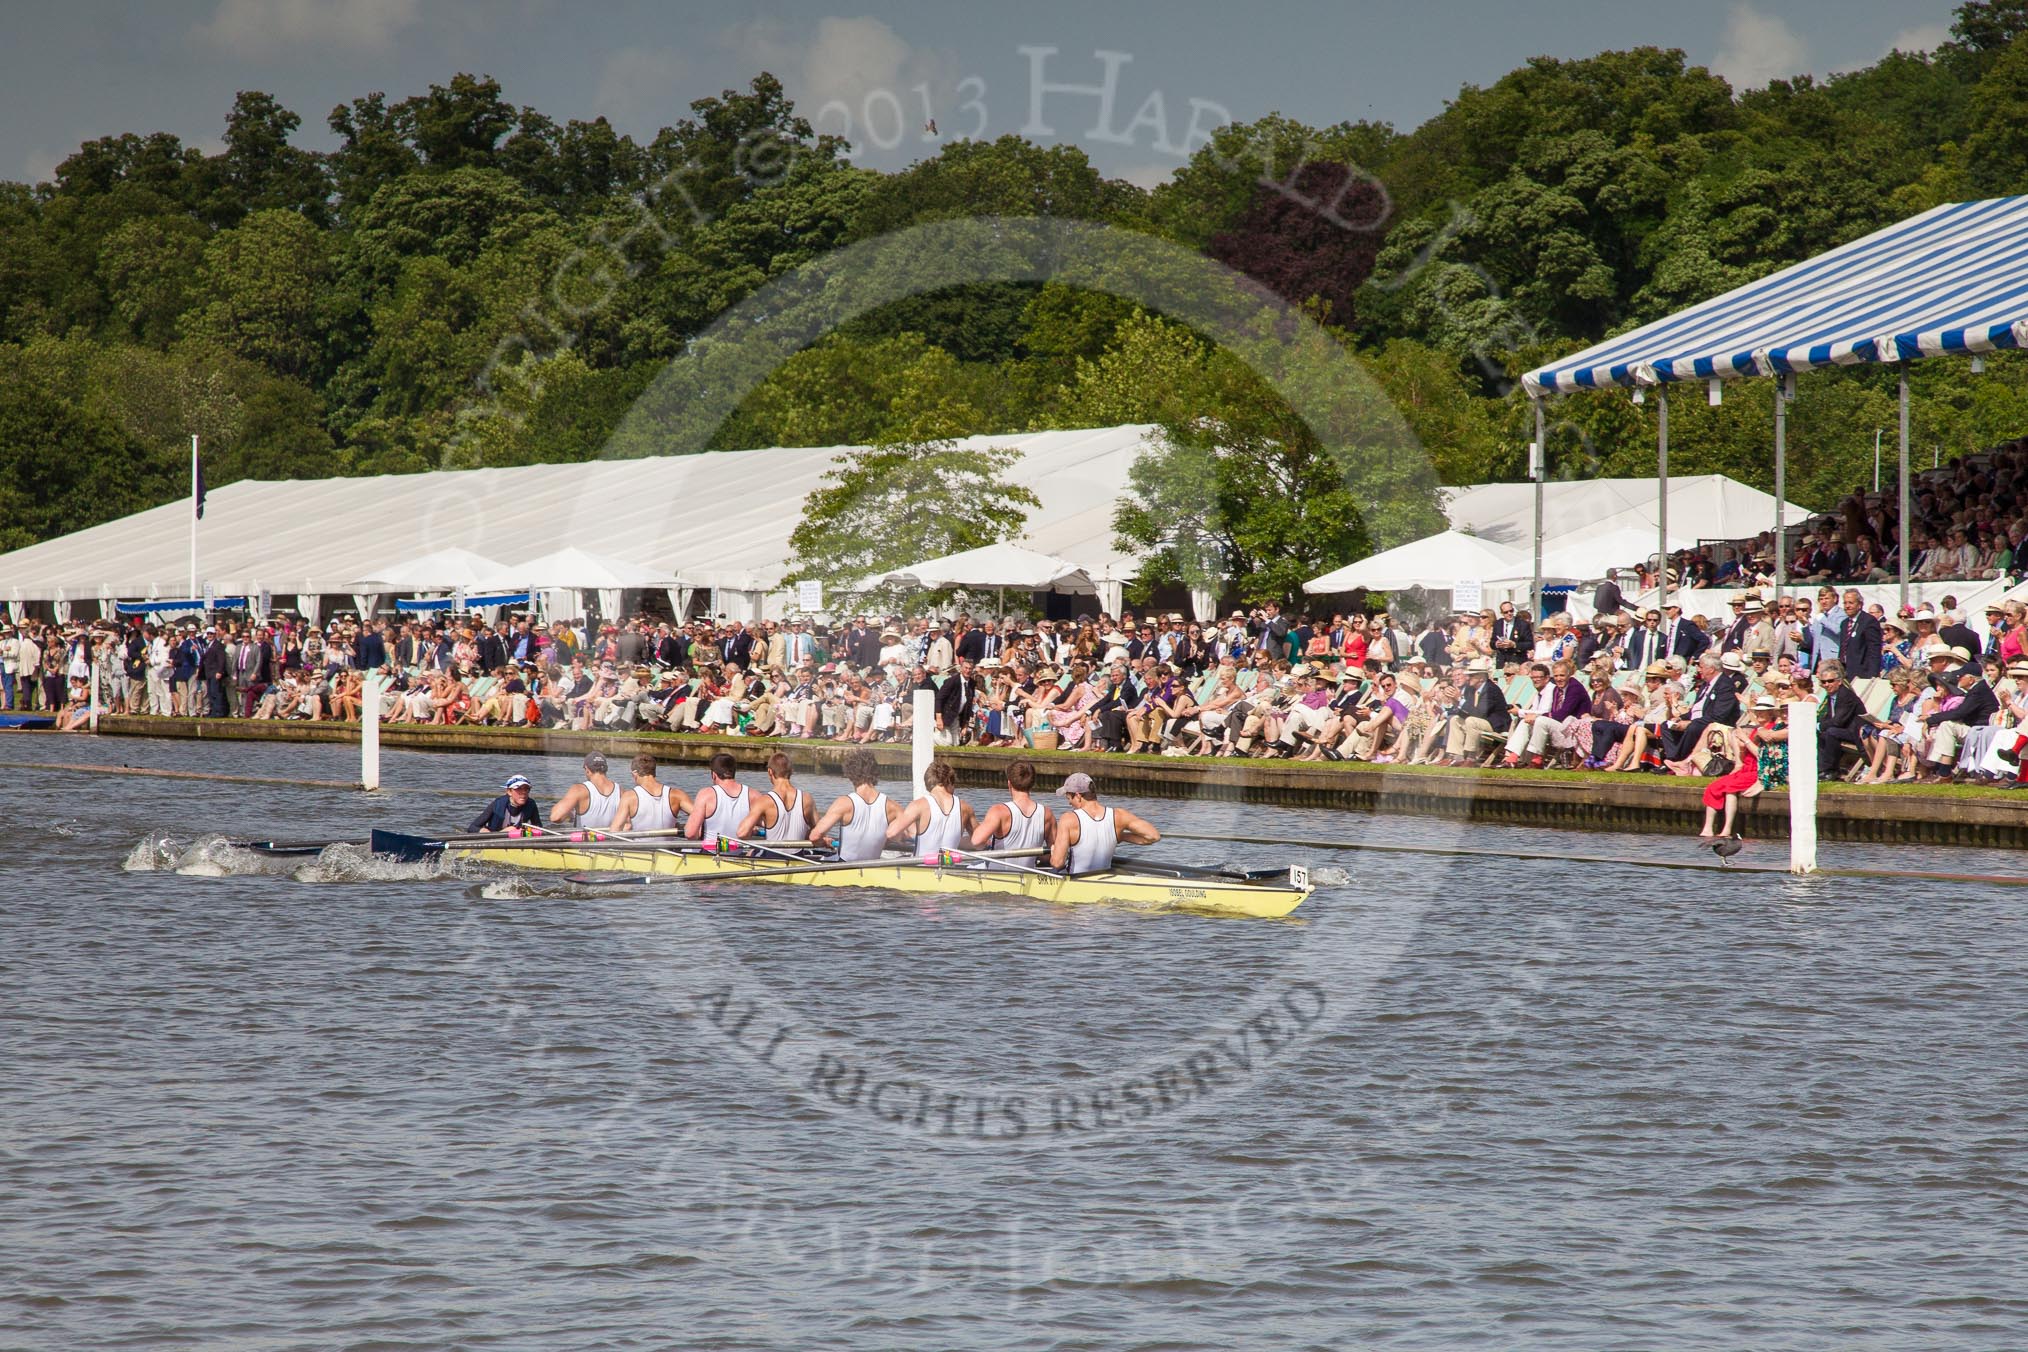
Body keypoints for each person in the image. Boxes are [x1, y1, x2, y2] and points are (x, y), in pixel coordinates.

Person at [1048, 771, 1160, 873]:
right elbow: (1153, 836)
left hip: (1076, 884)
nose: (1069, 803)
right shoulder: (1119, 816)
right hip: (1104, 881)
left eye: (1068, 798)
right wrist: (1121, 836)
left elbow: (1058, 863)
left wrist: (1054, 853)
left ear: (1078, 796)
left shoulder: (1068, 819)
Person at [810, 748, 904, 861]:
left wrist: (823, 842)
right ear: (875, 772)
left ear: (849, 774)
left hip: (844, 868)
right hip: (872, 869)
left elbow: (815, 836)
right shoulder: (893, 806)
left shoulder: (844, 803)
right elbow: (905, 836)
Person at [1699, 707, 1769, 839]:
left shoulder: (1769, 730)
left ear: (1771, 713)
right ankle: (1707, 828)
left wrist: (1746, 741)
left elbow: (1762, 756)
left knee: (1730, 788)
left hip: (1757, 770)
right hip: (1745, 768)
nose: (1759, 714)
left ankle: (1727, 829)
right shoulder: (1756, 729)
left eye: (1762, 711)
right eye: (1757, 711)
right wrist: (1740, 748)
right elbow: (1744, 754)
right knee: (1713, 787)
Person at [888, 759, 976, 855]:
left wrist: (905, 836)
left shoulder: (918, 805)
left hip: (920, 867)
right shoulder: (965, 808)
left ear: (928, 785)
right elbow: (980, 843)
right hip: (949, 868)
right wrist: (954, 840)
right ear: (950, 782)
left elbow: (892, 833)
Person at [971, 758, 1053, 856]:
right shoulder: (1047, 814)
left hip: (997, 870)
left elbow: (976, 842)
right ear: (1032, 783)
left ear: (1009, 783)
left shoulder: (999, 811)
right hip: (1029, 870)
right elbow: (1055, 853)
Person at [735, 751, 817, 844]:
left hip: (772, 856)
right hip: (798, 856)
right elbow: (818, 833)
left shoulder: (764, 801)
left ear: (770, 771)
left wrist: (754, 829)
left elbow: (742, 833)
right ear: (791, 771)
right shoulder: (807, 799)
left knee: (750, 853)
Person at [612, 752, 694, 833]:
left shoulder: (629, 797)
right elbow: (700, 816)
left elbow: (615, 830)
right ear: (654, 771)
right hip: (668, 846)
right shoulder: (677, 795)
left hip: (641, 845)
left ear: (634, 773)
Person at [685, 751, 751, 841]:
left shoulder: (706, 794)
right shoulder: (753, 794)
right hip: (739, 852)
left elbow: (690, 834)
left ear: (713, 775)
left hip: (711, 852)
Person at [549, 751, 623, 830]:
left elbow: (555, 817)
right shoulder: (621, 791)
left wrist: (569, 814)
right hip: (612, 841)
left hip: (585, 842)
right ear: (606, 769)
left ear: (587, 769)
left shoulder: (579, 790)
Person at [468, 774, 542, 833]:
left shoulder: (531, 804)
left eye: (526, 789)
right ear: (509, 792)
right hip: (494, 839)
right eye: (518, 789)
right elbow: (472, 827)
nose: (524, 792)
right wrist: (485, 832)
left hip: (516, 839)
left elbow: (539, 828)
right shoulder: (498, 804)